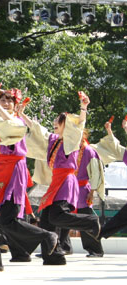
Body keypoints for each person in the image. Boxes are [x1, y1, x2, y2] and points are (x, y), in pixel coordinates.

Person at [0, 86, 58, 272]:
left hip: (13, 170)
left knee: (8, 219)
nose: (6, 103)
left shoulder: (16, 121)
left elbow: (9, 123)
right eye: (2, 100)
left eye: (9, 100)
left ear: (15, 105)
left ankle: (46, 236)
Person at [19, 91, 101, 265]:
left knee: (57, 215)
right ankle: (53, 256)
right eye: (56, 120)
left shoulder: (71, 141)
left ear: (67, 125)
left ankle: (91, 221)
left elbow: (78, 127)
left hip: (66, 181)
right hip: (56, 181)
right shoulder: (54, 139)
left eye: (59, 121)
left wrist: (83, 107)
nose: (55, 123)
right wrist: (21, 115)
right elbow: (36, 128)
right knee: (47, 220)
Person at [57, 131, 105, 258]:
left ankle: (96, 249)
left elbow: (95, 172)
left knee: (86, 218)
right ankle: (63, 246)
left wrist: (92, 191)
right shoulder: (69, 148)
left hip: (83, 189)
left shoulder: (89, 151)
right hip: (69, 188)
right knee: (63, 216)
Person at [92, 118, 127, 240]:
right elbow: (115, 146)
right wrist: (109, 130)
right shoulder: (124, 153)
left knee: (122, 217)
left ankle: (101, 234)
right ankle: (101, 234)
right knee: (122, 217)